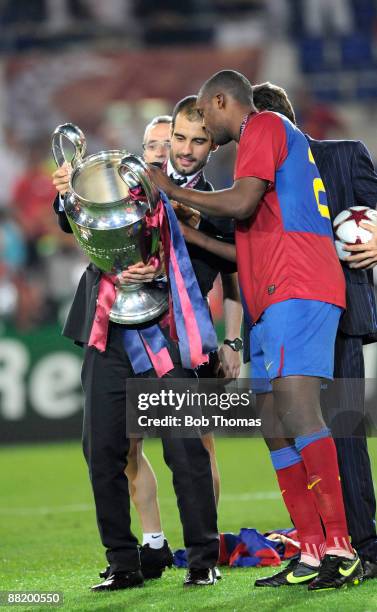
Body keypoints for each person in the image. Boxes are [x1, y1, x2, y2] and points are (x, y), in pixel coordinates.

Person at [148, 69, 364, 591]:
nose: (204, 124)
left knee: (297, 408)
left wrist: (171, 188)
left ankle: (340, 545)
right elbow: (243, 251)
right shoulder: (258, 150)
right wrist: (187, 232)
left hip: (300, 287)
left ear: (223, 101)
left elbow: (241, 203)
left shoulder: (262, 124)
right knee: (273, 422)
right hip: (270, 298)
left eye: (205, 112)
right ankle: (310, 549)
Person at [51, 130, 220, 589]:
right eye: (153, 144)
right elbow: (76, 224)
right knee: (102, 447)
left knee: (185, 448)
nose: (163, 151)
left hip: (168, 331)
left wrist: (163, 265)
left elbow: (210, 265)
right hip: (108, 328)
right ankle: (123, 562)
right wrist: (69, 192)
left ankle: (203, 559)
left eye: (173, 144)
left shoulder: (204, 198)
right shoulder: (113, 186)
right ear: (140, 153)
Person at [251, 81, 377, 580]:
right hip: (280, 315)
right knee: (293, 433)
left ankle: (365, 548)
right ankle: (318, 549)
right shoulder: (253, 177)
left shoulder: (344, 155)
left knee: (341, 428)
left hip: (339, 315)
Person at [121, 98, 242, 576]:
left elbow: (232, 275)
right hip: (135, 332)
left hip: (189, 340)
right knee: (127, 445)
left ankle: (204, 545)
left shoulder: (220, 203)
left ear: (211, 145)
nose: (179, 149)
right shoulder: (138, 197)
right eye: (169, 142)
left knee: (198, 446)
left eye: (197, 140)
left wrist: (232, 342)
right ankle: (153, 542)